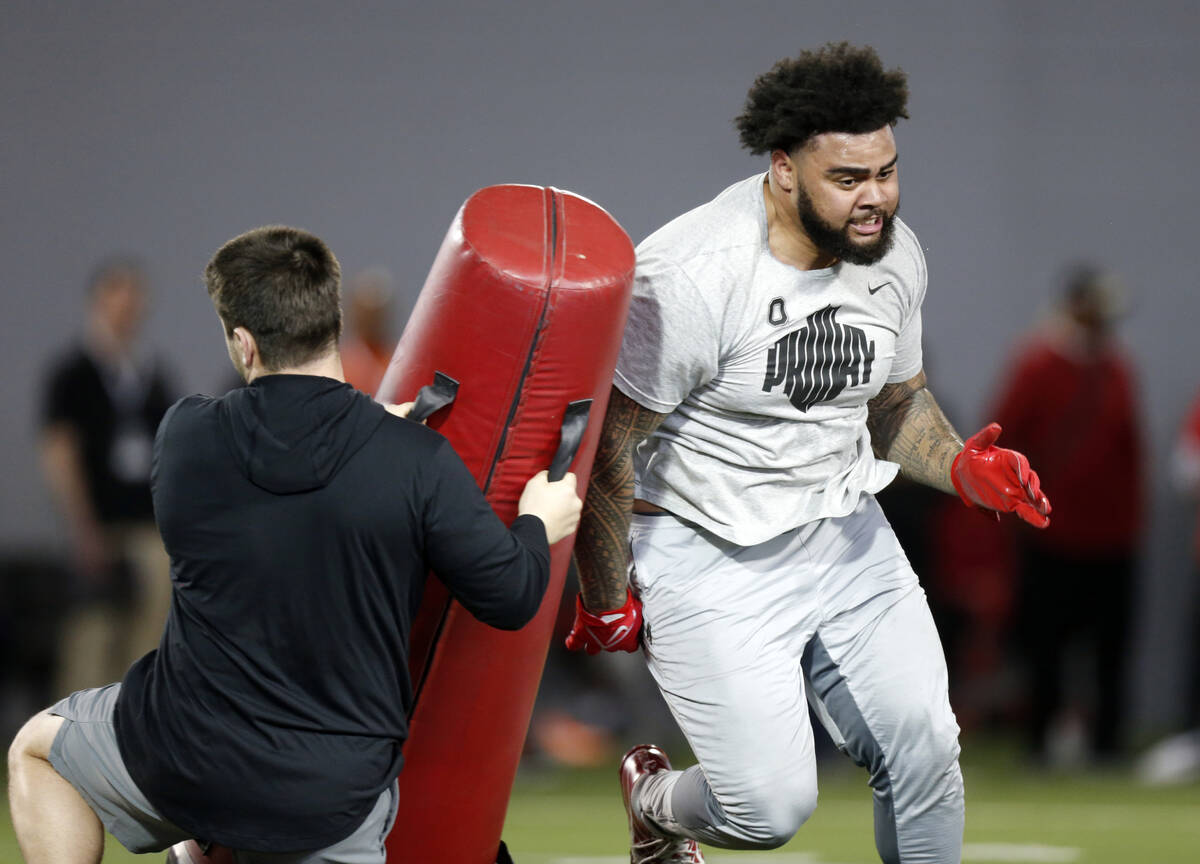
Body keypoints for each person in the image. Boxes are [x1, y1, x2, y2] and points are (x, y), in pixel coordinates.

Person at [563, 43, 1051, 864]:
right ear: (784, 170)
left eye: (887, 171)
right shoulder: (689, 276)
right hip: (703, 546)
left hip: (841, 527)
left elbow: (893, 402)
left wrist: (963, 467)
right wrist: (604, 595)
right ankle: (653, 802)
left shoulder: (893, 256)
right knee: (768, 810)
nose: (877, 201)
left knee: (927, 748)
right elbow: (608, 445)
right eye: (849, 179)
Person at [8, 225, 583, 864]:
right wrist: (538, 520)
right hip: (329, 796)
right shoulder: (414, 459)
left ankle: (198, 848)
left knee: (36, 749)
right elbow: (511, 595)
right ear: (332, 319)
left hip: (185, 759)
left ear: (243, 342)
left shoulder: (187, 435)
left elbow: (287, 479)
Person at [988, 266, 1144, 764]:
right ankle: (1040, 743)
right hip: (1051, 534)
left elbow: (1130, 449)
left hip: (1112, 536)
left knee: (1111, 650)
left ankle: (1108, 746)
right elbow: (1005, 437)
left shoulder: (1117, 368)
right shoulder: (1038, 364)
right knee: (1045, 647)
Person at [38, 257, 175, 696]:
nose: (127, 306)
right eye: (118, 296)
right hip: (101, 523)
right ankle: (70, 738)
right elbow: (60, 452)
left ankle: (130, 730)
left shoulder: (151, 375)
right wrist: (82, 526)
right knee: (93, 632)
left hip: (146, 525)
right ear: (98, 301)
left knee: (151, 628)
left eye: (134, 297)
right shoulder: (73, 373)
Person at [340, 268, 398, 395]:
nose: (370, 319)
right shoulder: (341, 366)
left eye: (375, 314)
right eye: (364, 312)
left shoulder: (397, 364)